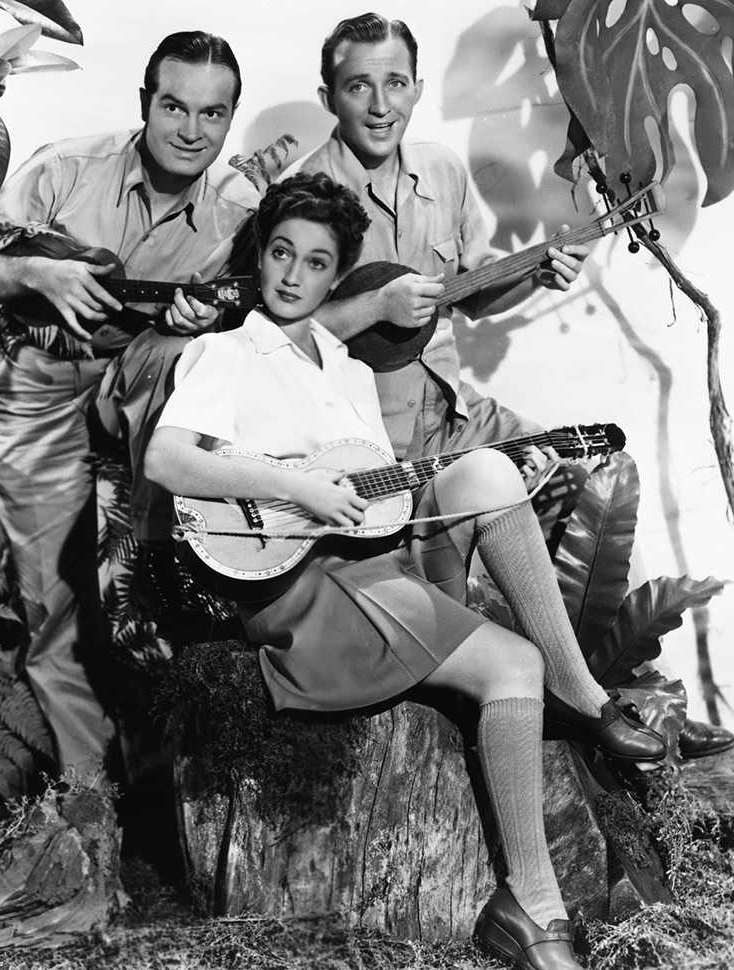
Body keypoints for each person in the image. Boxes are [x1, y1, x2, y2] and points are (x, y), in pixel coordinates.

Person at [145, 173, 666, 970]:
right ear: (261, 255)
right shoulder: (227, 351)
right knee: (511, 663)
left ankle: (578, 689)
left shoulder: (350, 371)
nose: (292, 274)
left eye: (316, 262)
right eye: (281, 252)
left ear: (336, 275)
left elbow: (379, 502)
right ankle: (531, 904)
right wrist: (296, 485)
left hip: (373, 561)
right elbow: (166, 459)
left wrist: (460, 484)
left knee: (488, 469)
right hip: (301, 587)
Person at [293, 11, 732, 762]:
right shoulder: (301, 195)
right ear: (328, 95)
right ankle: (570, 701)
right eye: (358, 86)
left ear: (416, 88)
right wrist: (373, 306)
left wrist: (535, 276)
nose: (380, 104)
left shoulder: (440, 172)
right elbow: (272, 337)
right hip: (370, 448)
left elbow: (469, 294)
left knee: (583, 483)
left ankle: (621, 690)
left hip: (457, 414)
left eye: (395, 83)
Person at [0, 30, 259, 785]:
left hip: (142, 388)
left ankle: (164, 790)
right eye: (174, 107)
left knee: (155, 592)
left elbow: (265, 321)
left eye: (212, 114)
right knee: (51, 606)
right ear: (145, 102)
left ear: (230, 118)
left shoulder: (240, 217)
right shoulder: (66, 169)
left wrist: (203, 322)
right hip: (39, 385)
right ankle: (86, 796)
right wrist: (32, 271)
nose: (191, 130)